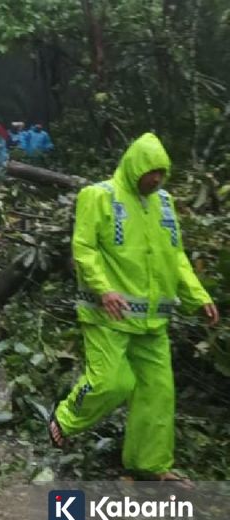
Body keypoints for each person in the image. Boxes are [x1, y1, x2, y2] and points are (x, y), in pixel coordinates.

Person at [49, 133, 219, 483]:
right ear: (135, 166)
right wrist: (103, 289)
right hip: (107, 316)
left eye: (162, 173)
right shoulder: (100, 196)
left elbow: (177, 258)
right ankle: (64, 419)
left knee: (158, 395)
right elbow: (84, 248)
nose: (156, 179)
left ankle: (150, 464)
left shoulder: (165, 203)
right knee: (113, 383)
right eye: (150, 172)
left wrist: (198, 297)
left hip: (153, 322)